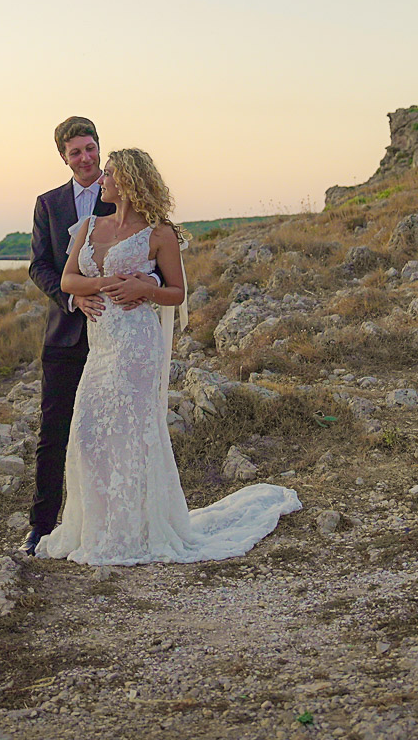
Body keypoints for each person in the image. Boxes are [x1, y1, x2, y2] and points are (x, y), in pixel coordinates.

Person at [35, 148, 301, 565]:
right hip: (101, 345)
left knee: (132, 434)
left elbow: (177, 293)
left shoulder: (159, 233)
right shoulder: (88, 226)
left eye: (109, 173)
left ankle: (137, 529)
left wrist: (145, 289)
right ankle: (98, 528)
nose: (101, 179)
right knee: (88, 435)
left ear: (128, 181)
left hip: (136, 344)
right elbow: (68, 279)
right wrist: (101, 284)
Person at [23, 118, 159, 556]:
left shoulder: (124, 189)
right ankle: (42, 527)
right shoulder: (48, 204)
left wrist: (148, 283)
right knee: (56, 431)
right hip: (66, 334)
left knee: (118, 431)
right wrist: (73, 298)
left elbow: (154, 253)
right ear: (63, 157)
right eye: (75, 152)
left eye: (90, 148)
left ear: (99, 147)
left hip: (121, 337)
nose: (85, 158)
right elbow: (40, 265)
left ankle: (122, 523)